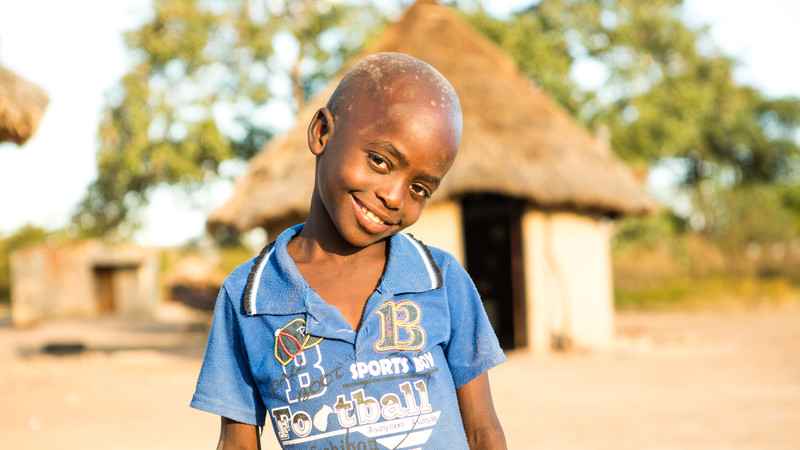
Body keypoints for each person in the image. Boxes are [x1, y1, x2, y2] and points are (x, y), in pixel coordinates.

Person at [191, 52, 507, 449]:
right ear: (322, 132)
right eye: (379, 161)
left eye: (419, 189)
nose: (394, 197)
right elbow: (237, 443)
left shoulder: (440, 281)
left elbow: (482, 430)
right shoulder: (248, 298)